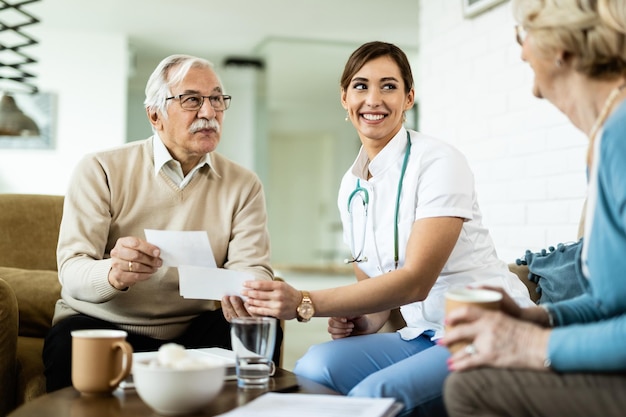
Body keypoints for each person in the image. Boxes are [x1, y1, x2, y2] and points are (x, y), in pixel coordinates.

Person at [234, 41, 532, 417]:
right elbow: (377, 291)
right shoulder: (351, 186)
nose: (373, 99)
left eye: (388, 86)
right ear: (344, 98)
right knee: (314, 367)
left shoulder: (439, 161)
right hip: (423, 335)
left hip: (483, 332)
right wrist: (361, 321)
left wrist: (305, 302)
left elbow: (414, 282)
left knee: (374, 393)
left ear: (409, 98)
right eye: (360, 86)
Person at [43, 54, 281, 392]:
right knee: (70, 344)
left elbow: (253, 267)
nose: (209, 112)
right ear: (155, 115)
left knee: (261, 328)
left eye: (216, 99)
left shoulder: (244, 184)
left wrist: (246, 292)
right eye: (192, 100)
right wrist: (113, 272)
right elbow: (72, 268)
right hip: (105, 323)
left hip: (193, 328)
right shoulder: (100, 169)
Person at [440, 1, 626, 416]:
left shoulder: (621, 135)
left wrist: (527, 345)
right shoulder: (605, 136)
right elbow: (611, 303)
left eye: (523, 35)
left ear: (560, 46)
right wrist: (537, 318)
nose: (521, 51)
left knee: (473, 388)